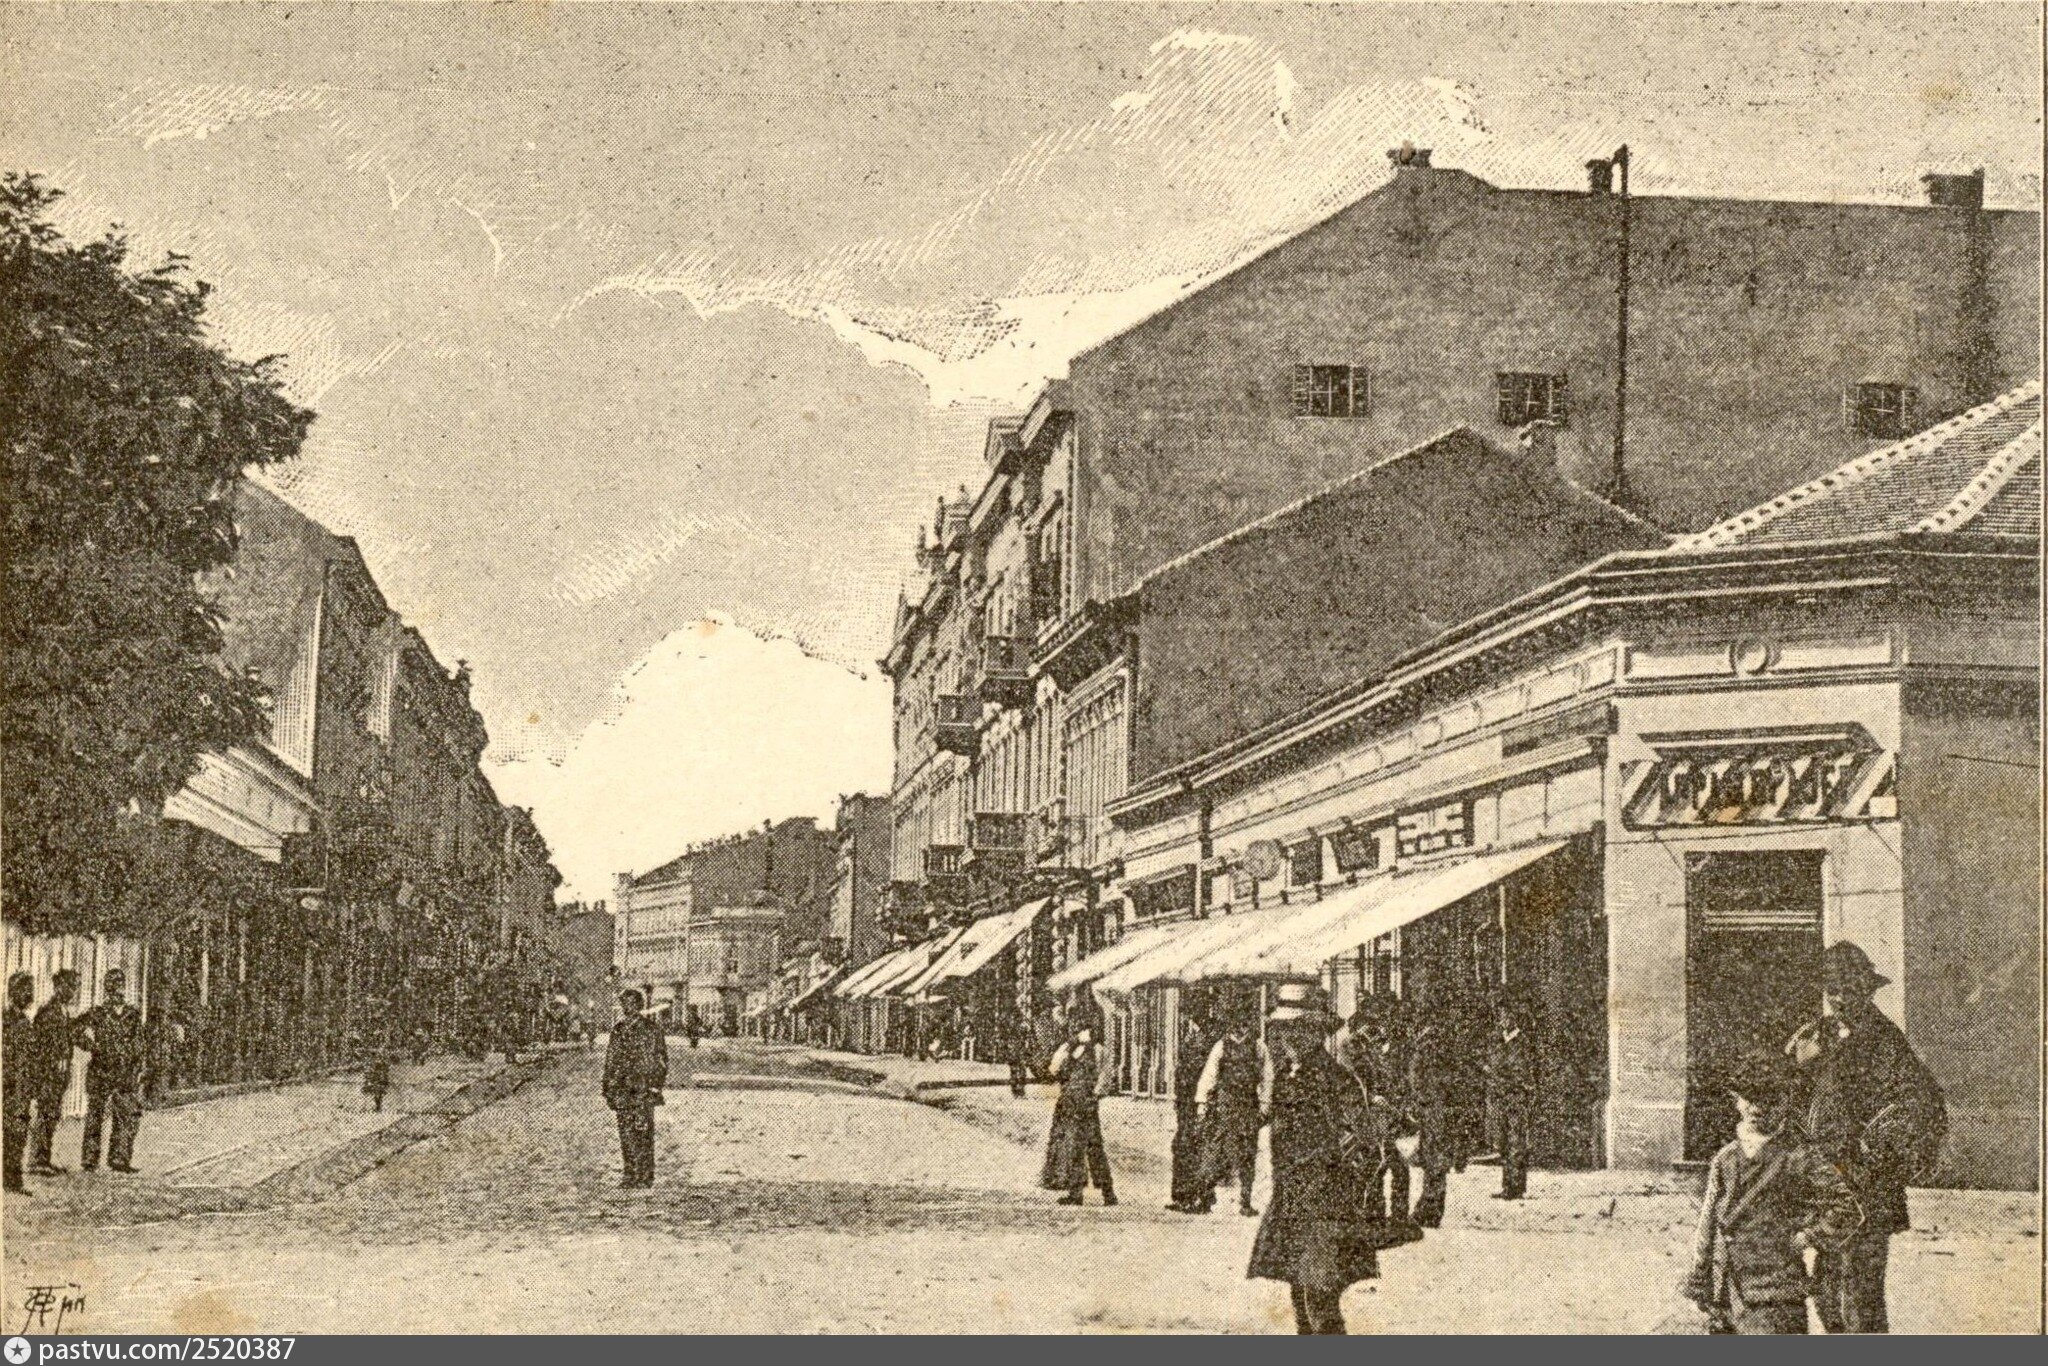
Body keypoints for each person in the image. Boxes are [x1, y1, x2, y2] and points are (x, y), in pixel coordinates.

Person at [1787, 940, 1943, 1334]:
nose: (1839, 999)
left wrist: (1875, 1149)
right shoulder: (1817, 1034)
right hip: (1826, 1183)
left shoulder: (1885, 1039)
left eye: (1849, 989)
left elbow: (1921, 1101)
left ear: (1867, 990)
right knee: (1825, 1290)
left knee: (1860, 1295)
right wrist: (1800, 1065)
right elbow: (1791, 1096)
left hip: (1868, 1184)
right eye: (1832, 990)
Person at [1684, 1052, 1864, 1334]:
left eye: (1768, 1098)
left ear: (1784, 1101)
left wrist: (1809, 1236)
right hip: (1727, 1291)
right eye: (1749, 1097)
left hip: (1776, 1293)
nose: (1757, 1107)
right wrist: (1700, 1274)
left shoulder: (1800, 1156)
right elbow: (1707, 1222)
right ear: (1736, 1100)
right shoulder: (1725, 1159)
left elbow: (1848, 1209)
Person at [1248, 983, 1387, 1334]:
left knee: (1320, 1298)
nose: (1288, 1038)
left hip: (1326, 1205)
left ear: (1318, 1031)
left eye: (1299, 1029)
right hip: (1292, 1198)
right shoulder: (1285, 1077)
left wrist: (1341, 1183)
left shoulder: (1337, 1080)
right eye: (1284, 1029)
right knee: (1300, 1294)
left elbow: (1367, 1143)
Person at [1196, 1012, 1268, 1216]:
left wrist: (1265, 1105)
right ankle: (1206, 1196)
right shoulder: (1221, 1045)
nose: (1240, 1027)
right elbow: (1210, 1074)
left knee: (1247, 1152)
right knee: (1215, 1149)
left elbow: (1267, 1077)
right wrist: (1202, 1102)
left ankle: (1245, 1201)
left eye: (1244, 1023)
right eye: (1237, 1023)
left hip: (1248, 1104)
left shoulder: (1258, 1047)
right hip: (1224, 1105)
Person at [75, 969, 146, 1173]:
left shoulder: (132, 1014)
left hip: (125, 1072)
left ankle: (119, 1159)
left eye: (120, 984)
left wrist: (136, 1065)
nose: (117, 989)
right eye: (113, 985)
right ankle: (90, 1158)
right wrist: (91, 1046)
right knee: (95, 1115)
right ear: (107, 989)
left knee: (125, 1116)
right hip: (101, 1070)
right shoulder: (97, 1013)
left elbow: (140, 1042)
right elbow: (74, 1030)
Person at [1040, 1022, 1116, 1206]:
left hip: (1082, 1103)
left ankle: (1103, 1192)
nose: (1083, 1033)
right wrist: (1069, 1045)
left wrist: (1095, 1096)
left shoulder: (1097, 1050)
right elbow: (1053, 1068)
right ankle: (1085, 1192)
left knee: (1089, 1147)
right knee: (1079, 1147)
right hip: (1071, 1103)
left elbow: (1105, 1076)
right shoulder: (1072, 1048)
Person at [1405, 999, 1466, 1227]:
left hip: (1434, 1108)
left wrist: (1420, 1101)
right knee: (1433, 1158)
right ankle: (1429, 1208)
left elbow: (1425, 1080)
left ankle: (1429, 1210)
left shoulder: (1430, 1044)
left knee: (1435, 1159)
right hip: (1434, 1107)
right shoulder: (1436, 1042)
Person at [602, 989, 668, 1188]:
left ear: (639, 1005)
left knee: (643, 1131)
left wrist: (655, 1086)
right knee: (626, 1133)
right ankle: (630, 1174)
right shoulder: (618, 1029)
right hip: (621, 1088)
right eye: (624, 1003)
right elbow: (611, 1059)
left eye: (631, 1003)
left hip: (643, 1087)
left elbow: (661, 1059)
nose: (627, 1007)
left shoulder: (651, 1029)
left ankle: (645, 1176)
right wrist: (608, 1086)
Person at [26, 968, 79, 1176]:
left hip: (59, 1074)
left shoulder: (63, 1011)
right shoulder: (48, 1012)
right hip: (48, 1073)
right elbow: (40, 1045)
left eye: (75, 987)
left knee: (52, 1114)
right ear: (58, 987)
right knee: (46, 1113)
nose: (73, 991)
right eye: (69, 986)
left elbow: (69, 1037)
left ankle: (44, 1158)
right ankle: (37, 1160)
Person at [1483, 1000, 1537, 1200]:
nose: (1503, 1020)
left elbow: (1523, 1070)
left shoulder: (1522, 1042)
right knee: (1503, 1143)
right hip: (1499, 1097)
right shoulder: (1498, 1040)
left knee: (1517, 1142)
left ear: (1514, 1018)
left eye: (1506, 1016)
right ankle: (1507, 1185)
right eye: (1500, 1016)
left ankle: (1516, 1187)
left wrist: (1503, 1076)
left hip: (1515, 1096)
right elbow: (1490, 1063)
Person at [1167, 1014, 1216, 1213]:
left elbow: (1192, 1074)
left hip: (1194, 1103)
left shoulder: (1202, 1041)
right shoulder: (1194, 1037)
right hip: (1186, 1103)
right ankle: (1186, 1196)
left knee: (1192, 1147)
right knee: (1185, 1146)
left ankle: (1197, 1197)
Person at [4, 972, 35, 1195]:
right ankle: (11, 1180)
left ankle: (12, 1179)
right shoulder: (7, 1021)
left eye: (30, 990)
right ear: (14, 992)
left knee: (18, 1133)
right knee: (13, 1131)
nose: (30, 995)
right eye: (26, 990)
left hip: (21, 1088)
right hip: (10, 1087)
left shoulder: (24, 1021)